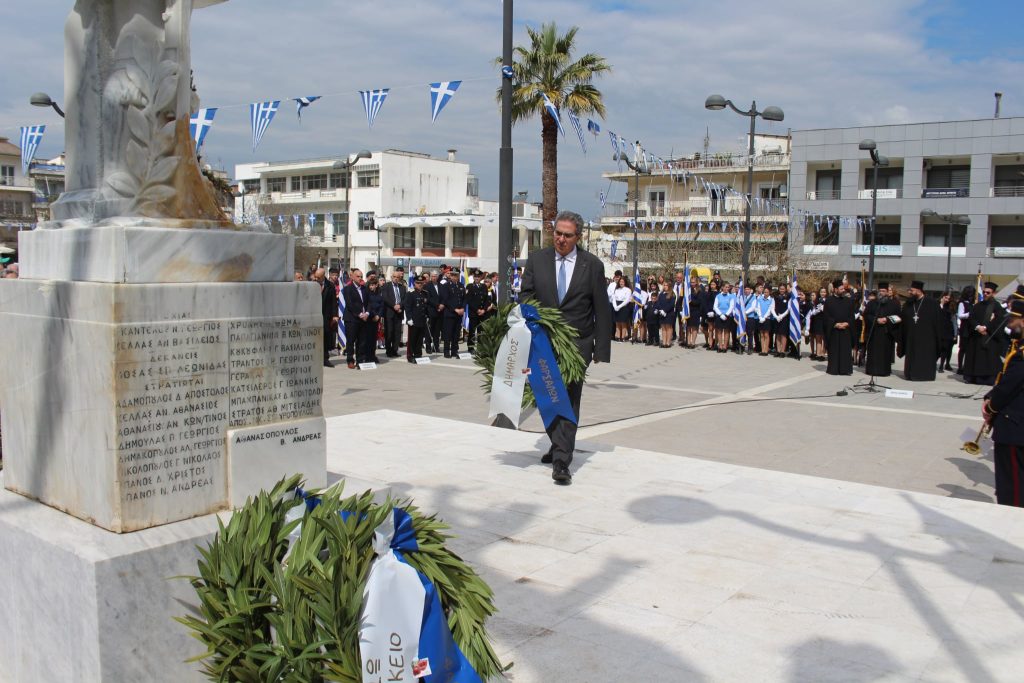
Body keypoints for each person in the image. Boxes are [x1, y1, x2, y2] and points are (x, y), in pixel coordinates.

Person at [519, 210, 612, 485]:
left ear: (578, 236)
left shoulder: (592, 265)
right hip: (543, 341)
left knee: (569, 397)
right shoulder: (537, 260)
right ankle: (558, 442)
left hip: (578, 344)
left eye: (567, 235)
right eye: (557, 233)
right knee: (546, 394)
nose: (560, 239)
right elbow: (526, 294)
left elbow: (601, 309)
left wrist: (601, 349)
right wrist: (533, 319)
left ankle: (562, 460)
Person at [982, 299, 1024, 507]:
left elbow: (1011, 385)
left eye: (1013, 319)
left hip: (1015, 426)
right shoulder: (1019, 347)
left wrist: (991, 406)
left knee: (1012, 487)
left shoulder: (1022, 353)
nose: (1008, 324)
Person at [898, 280, 943, 381]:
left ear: (919, 291)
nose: (910, 292)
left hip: (927, 338)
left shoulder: (932, 303)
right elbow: (903, 318)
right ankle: (910, 374)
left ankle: (924, 375)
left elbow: (938, 322)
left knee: (924, 357)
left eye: (912, 290)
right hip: (911, 337)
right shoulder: (908, 304)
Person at [962, 282, 1006, 385]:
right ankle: (972, 378)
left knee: (988, 360)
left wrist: (986, 327)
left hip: (989, 338)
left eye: (988, 292)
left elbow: (999, 321)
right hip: (976, 337)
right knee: (975, 358)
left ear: (993, 293)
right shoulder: (978, 305)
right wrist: (978, 327)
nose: (985, 294)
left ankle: (987, 379)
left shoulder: (997, 307)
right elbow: (971, 318)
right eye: (984, 292)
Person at [862, 282, 901, 378]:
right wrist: (876, 320)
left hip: (886, 333)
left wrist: (886, 319)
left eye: (883, 291)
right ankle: (872, 370)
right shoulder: (872, 303)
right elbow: (866, 315)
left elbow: (899, 317)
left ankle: (884, 371)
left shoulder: (894, 304)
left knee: (885, 353)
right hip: (874, 332)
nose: (881, 293)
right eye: (880, 291)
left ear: (887, 292)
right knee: (873, 353)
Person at [821, 279, 855, 375]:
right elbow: (826, 317)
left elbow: (852, 316)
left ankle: (845, 370)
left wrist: (847, 323)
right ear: (835, 289)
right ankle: (833, 369)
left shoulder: (848, 301)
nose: (843, 290)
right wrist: (835, 324)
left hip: (846, 330)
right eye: (840, 289)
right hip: (834, 331)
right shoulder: (829, 301)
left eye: (843, 289)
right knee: (834, 351)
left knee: (845, 351)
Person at [341, 268, 369, 368]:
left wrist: (367, 313)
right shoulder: (347, 289)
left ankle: (360, 359)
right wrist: (359, 314)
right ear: (352, 277)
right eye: (358, 276)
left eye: (361, 276)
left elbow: (368, 302)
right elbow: (350, 304)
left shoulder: (364, 288)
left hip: (364, 319)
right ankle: (350, 360)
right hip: (352, 318)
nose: (360, 278)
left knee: (361, 340)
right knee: (351, 340)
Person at [439, 268, 467, 358]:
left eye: (456, 275)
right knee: (448, 333)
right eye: (453, 275)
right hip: (450, 313)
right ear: (450, 276)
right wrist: (455, 309)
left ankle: (454, 351)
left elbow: (464, 298)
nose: (454, 277)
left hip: (459, 313)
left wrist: (462, 308)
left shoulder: (461, 285)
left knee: (456, 333)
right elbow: (446, 300)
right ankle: (446, 351)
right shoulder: (446, 286)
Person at [381, 268, 407, 358]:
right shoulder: (386, 286)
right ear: (391, 277)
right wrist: (394, 306)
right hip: (389, 312)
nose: (396, 278)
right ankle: (389, 350)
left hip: (399, 312)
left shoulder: (402, 287)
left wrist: (400, 306)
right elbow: (385, 298)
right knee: (389, 332)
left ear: (400, 278)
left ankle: (395, 350)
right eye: (394, 277)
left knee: (397, 333)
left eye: (398, 277)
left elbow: (404, 299)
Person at [404, 275, 430, 362]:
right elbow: (408, 307)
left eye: (421, 283)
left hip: (422, 320)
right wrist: (409, 318)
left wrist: (427, 316)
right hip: (413, 320)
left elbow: (425, 307)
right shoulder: (410, 294)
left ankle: (418, 354)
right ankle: (410, 356)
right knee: (412, 339)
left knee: (419, 339)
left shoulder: (425, 293)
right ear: (414, 283)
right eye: (418, 283)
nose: (420, 285)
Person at [466, 270, 490, 352]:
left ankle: (480, 348)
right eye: (475, 277)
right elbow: (469, 300)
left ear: (481, 278)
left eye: (478, 277)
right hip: (473, 313)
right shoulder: (469, 286)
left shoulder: (484, 287)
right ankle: (471, 347)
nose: (477, 278)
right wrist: (477, 310)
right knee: (472, 331)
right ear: (473, 277)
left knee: (481, 331)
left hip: (483, 313)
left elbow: (487, 300)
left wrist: (484, 309)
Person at [363, 275, 385, 364]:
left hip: (376, 319)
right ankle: (367, 356)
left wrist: (378, 316)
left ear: (376, 285)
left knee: (373, 338)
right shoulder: (366, 294)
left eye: (373, 285)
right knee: (367, 338)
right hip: (369, 319)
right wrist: (373, 315)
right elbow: (368, 306)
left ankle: (373, 355)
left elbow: (382, 306)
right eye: (370, 285)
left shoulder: (379, 295)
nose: (371, 287)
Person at [956, 286, 976, 374]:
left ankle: (967, 367)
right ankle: (960, 367)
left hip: (971, 328)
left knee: (969, 349)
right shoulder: (962, 303)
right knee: (962, 349)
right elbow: (960, 315)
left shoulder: (972, 304)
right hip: (965, 328)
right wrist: (969, 314)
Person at [937, 292, 957, 373]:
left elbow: (954, 321)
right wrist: (941, 304)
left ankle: (942, 365)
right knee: (938, 348)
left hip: (948, 331)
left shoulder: (951, 307)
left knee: (946, 349)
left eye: (949, 298)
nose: (947, 300)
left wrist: (955, 334)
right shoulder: (937, 305)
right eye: (946, 297)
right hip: (939, 330)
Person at [425, 271, 442, 354]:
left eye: (435, 276)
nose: (434, 278)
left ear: (438, 277)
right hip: (431, 311)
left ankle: (436, 346)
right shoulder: (427, 286)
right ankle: (428, 347)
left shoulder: (441, 286)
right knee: (430, 331)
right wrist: (437, 305)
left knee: (437, 331)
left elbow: (444, 296)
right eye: (432, 276)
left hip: (440, 312)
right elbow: (428, 298)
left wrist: (442, 305)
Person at [610, 275, 632, 341]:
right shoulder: (617, 290)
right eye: (620, 282)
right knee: (617, 322)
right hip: (616, 306)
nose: (621, 283)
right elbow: (613, 298)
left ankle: (623, 337)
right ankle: (618, 336)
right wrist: (615, 306)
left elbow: (627, 300)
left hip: (624, 307)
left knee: (623, 323)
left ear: (625, 282)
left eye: (622, 282)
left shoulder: (628, 290)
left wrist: (619, 306)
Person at [653, 282, 675, 348]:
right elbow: (658, 302)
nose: (665, 286)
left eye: (666, 285)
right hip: (662, 313)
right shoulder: (661, 294)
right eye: (664, 285)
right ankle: (664, 342)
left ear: (669, 286)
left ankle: (668, 342)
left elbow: (671, 304)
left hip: (669, 313)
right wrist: (660, 310)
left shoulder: (672, 294)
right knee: (663, 328)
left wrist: (665, 310)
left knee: (668, 328)